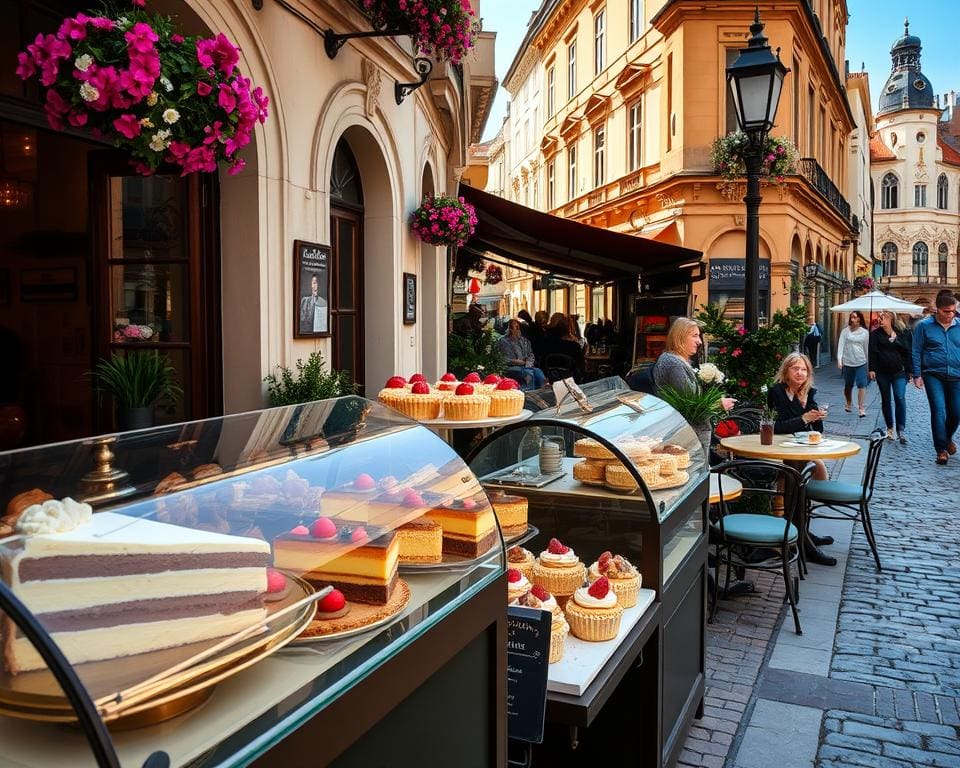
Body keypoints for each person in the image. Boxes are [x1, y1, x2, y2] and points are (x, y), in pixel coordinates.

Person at [767, 352, 836, 565]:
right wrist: (804, 418)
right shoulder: (777, 393)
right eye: (795, 368)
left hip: (799, 451)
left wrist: (816, 418)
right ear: (786, 371)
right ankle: (800, 538)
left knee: (808, 470)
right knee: (797, 474)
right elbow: (775, 427)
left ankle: (802, 530)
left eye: (804, 369)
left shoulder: (809, 393)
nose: (800, 373)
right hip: (777, 451)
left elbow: (817, 433)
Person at [652, 318, 735, 455]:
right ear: (680, 337)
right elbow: (690, 406)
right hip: (686, 439)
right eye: (695, 336)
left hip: (688, 436)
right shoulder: (674, 364)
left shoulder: (676, 361)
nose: (699, 341)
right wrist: (719, 404)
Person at [912, 291, 960, 465]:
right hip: (933, 374)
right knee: (939, 410)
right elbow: (916, 350)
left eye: (953, 311)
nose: (950, 315)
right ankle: (941, 449)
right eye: (947, 311)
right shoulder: (924, 326)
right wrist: (917, 374)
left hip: (956, 374)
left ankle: (947, 439)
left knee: (956, 412)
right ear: (937, 310)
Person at [868, 311, 913, 444]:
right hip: (882, 372)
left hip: (899, 371)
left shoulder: (903, 332)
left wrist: (910, 371)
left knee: (899, 397)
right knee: (886, 399)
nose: (881, 320)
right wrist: (871, 369)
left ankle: (901, 429)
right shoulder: (875, 335)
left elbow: (908, 350)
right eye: (880, 318)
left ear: (891, 319)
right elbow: (873, 352)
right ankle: (889, 428)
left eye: (884, 318)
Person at [496, 318, 547, 391]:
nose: (516, 330)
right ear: (509, 328)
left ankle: (542, 394)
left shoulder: (524, 340)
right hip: (510, 367)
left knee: (538, 372)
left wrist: (528, 364)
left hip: (525, 366)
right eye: (513, 327)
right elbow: (500, 358)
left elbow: (531, 354)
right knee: (529, 373)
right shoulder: (503, 341)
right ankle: (527, 395)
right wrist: (515, 361)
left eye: (518, 327)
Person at [837, 310, 870, 417]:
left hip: (861, 361)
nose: (852, 319)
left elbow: (866, 348)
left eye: (855, 317)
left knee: (862, 384)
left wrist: (869, 364)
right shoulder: (845, 331)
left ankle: (861, 408)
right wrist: (839, 360)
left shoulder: (865, 332)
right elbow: (840, 345)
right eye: (851, 317)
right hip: (848, 362)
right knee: (848, 385)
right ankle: (849, 402)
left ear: (859, 319)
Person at [542, 312, 585, 382]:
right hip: (571, 381)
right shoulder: (574, 346)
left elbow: (543, 364)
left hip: (551, 380)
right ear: (567, 328)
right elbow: (581, 369)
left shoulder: (545, 343)